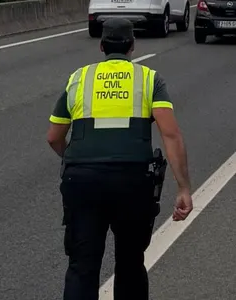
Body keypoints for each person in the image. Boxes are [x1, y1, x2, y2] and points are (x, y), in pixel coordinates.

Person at [46, 18, 193, 300]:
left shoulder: (79, 78)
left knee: (82, 266)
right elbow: (171, 135)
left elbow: (53, 136)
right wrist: (183, 188)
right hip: (133, 181)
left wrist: (76, 159)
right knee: (130, 263)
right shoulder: (149, 79)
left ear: (101, 46)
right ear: (132, 47)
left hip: (82, 181)